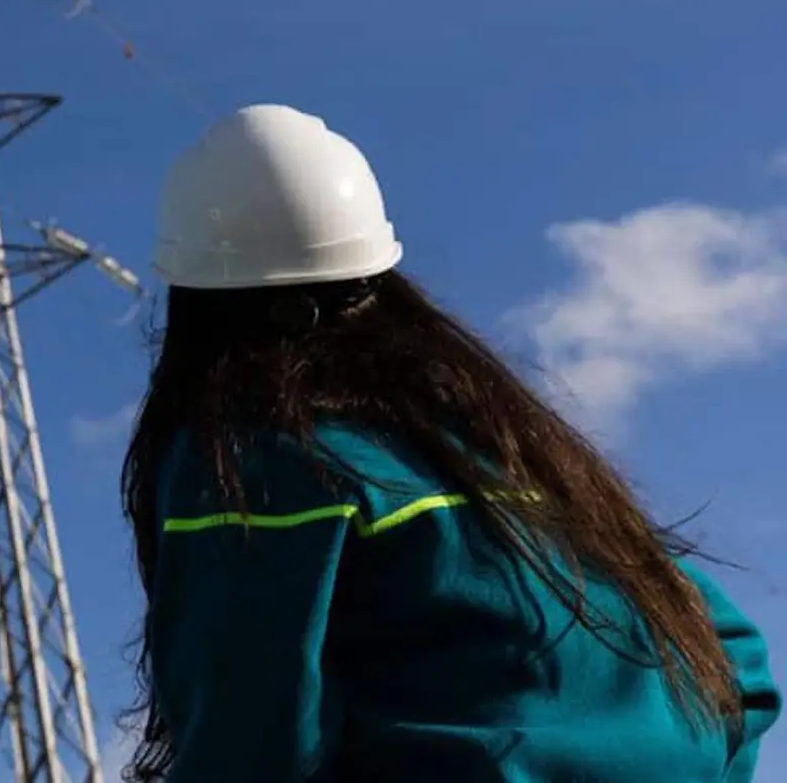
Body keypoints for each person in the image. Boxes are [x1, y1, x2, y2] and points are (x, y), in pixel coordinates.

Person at [119, 104, 779, 782]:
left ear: (196, 298)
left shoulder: (253, 460)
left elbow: (248, 741)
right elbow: (736, 658)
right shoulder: (522, 458)